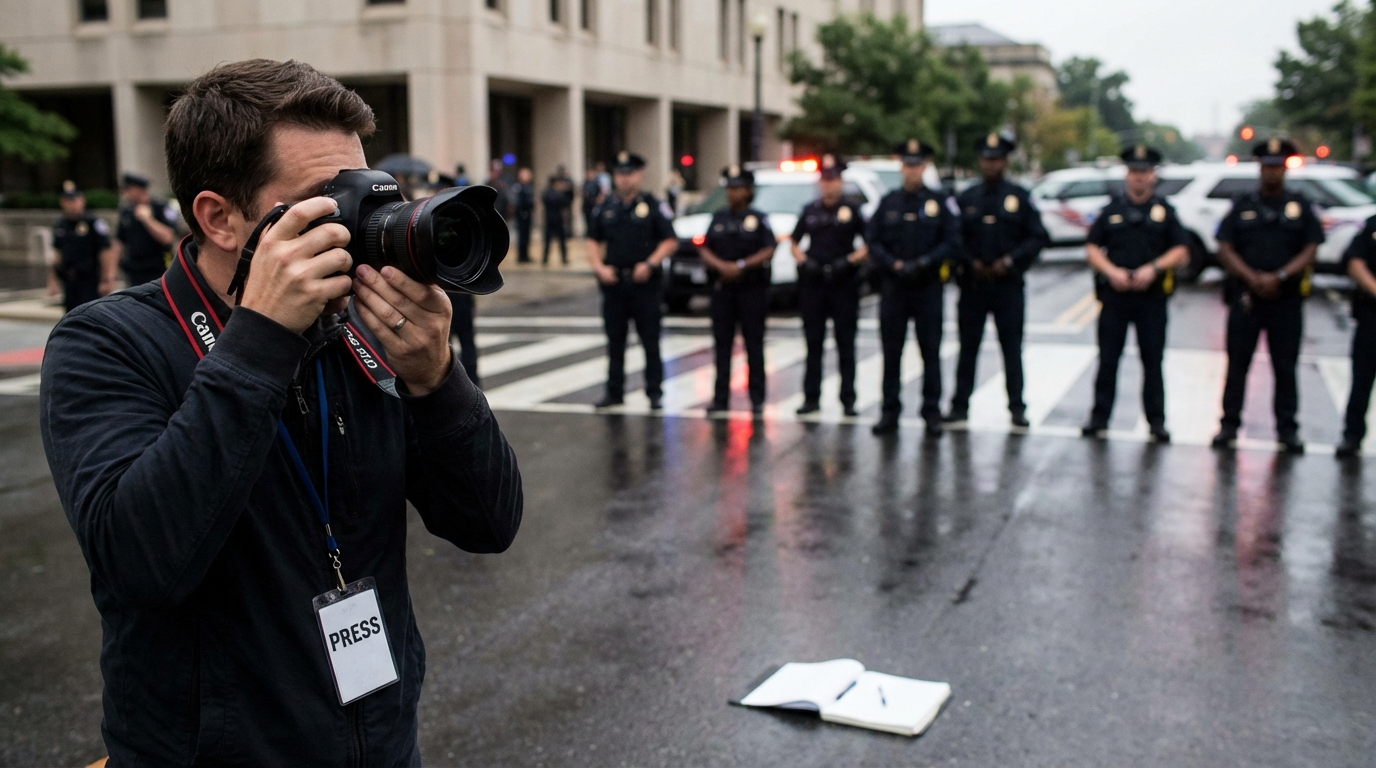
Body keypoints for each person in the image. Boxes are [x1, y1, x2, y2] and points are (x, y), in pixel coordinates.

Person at [39, 59, 522, 766]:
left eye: (365, 194)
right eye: (327, 202)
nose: (359, 225)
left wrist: (437, 377)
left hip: (381, 745)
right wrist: (260, 340)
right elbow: (140, 563)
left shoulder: (358, 334)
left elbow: (489, 523)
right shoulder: (107, 343)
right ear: (220, 218)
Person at [1211, 138, 1323, 454]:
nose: (1272, 172)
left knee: (1285, 367)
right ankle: (1228, 425)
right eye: (1267, 166)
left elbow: (1311, 248)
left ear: (1284, 168)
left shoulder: (1300, 206)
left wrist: (1281, 276)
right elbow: (1225, 246)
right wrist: (1252, 277)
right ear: (1259, 166)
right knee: (1237, 365)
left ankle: (1287, 430)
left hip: (1285, 298)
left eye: (1278, 166)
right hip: (1247, 297)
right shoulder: (1242, 204)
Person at [1080, 145, 1190, 442]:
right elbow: (1091, 247)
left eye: (1144, 172)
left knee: (1152, 361)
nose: (1138, 177)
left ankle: (1156, 421)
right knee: (1108, 360)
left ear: (1153, 175)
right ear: (1126, 175)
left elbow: (1181, 249)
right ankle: (1099, 417)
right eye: (1133, 172)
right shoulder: (1111, 210)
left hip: (1150, 297)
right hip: (1115, 296)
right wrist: (1111, 271)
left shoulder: (1165, 212)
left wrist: (1154, 268)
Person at [946, 133, 1049, 430]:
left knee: (1011, 349)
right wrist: (969, 262)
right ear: (981, 162)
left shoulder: (1019, 197)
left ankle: (1017, 407)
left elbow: (1037, 237)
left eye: (997, 159)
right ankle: (959, 406)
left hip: (1007, 286)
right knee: (968, 349)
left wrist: (1011, 261)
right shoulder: (967, 198)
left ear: (1005, 162)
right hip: (973, 285)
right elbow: (954, 239)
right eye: (987, 159)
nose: (991, 164)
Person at [868, 139, 960, 437]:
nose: (912, 171)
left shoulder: (939, 202)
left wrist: (925, 262)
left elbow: (951, 241)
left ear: (925, 167)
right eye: (907, 165)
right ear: (901, 167)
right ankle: (889, 411)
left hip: (927, 286)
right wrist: (891, 263)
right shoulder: (889, 202)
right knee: (891, 353)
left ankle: (931, 412)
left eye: (917, 165)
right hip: (894, 287)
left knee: (930, 353)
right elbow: (873, 240)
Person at [586, 151, 677, 409]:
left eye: (629, 173)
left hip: (644, 284)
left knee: (650, 339)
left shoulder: (653, 204)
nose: (624, 179)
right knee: (615, 340)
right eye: (620, 174)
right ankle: (614, 392)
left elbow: (670, 240)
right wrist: (598, 267)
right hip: (614, 282)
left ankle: (654, 392)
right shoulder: (605, 206)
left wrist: (650, 263)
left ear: (639, 174)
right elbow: (593, 239)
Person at [789, 154, 868, 416]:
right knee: (814, 344)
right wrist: (804, 262)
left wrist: (851, 260)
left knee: (846, 343)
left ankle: (848, 399)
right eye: (825, 180)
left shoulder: (852, 210)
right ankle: (811, 398)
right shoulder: (810, 210)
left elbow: (869, 243)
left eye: (833, 180)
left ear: (841, 182)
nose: (829, 185)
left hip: (843, 283)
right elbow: (793, 242)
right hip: (815, 284)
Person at [699, 165, 777, 416]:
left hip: (751, 289)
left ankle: (757, 398)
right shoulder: (719, 217)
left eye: (738, 188)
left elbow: (769, 248)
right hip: (723, 289)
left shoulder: (758, 219)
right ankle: (720, 397)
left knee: (754, 345)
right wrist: (721, 266)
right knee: (722, 345)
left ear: (748, 191)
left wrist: (742, 265)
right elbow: (704, 246)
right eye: (730, 188)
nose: (733, 193)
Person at [1336, 214, 1376, 457]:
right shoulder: (1373, 225)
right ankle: (1352, 435)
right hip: (1373, 314)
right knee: (1362, 378)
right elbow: (1354, 261)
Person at [48, 181, 116, 312]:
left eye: (74, 200)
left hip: (89, 280)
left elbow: (106, 251)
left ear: (82, 200)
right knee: (71, 316)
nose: (70, 204)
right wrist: (52, 280)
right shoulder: (61, 225)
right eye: (67, 201)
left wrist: (107, 279)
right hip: (69, 281)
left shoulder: (93, 223)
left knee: (90, 316)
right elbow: (57, 253)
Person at [115, 172, 179, 288]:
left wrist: (147, 220)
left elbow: (168, 237)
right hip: (134, 270)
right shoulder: (127, 211)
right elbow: (120, 241)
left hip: (158, 268)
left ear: (138, 190)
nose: (125, 194)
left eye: (128, 190)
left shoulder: (160, 207)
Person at [447, 291, 480, 387]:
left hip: (446, 296)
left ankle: (450, 383)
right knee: (467, 345)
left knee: (444, 346)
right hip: (461, 297)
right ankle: (473, 383)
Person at [542, 175, 571, 266]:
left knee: (547, 240)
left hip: (549, 218)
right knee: (561, 240)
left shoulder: (546, 193)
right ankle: (564, 258)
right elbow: (565, 205)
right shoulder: (560, 194)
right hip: (558, 218)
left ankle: (545, 259)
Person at [511, 167, 535, 263]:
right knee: (522, 236)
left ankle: (525, 255)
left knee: (527, 236)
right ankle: (521, 256)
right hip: (521, 214)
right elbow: (517, 201)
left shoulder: (528, 187)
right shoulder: (518, 187)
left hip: (528, 214)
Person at [582, 165, 605, 235]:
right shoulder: (585, 183)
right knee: (587, 221)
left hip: (594, 204)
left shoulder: (596, 183)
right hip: (587, 205)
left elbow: (601, 193)